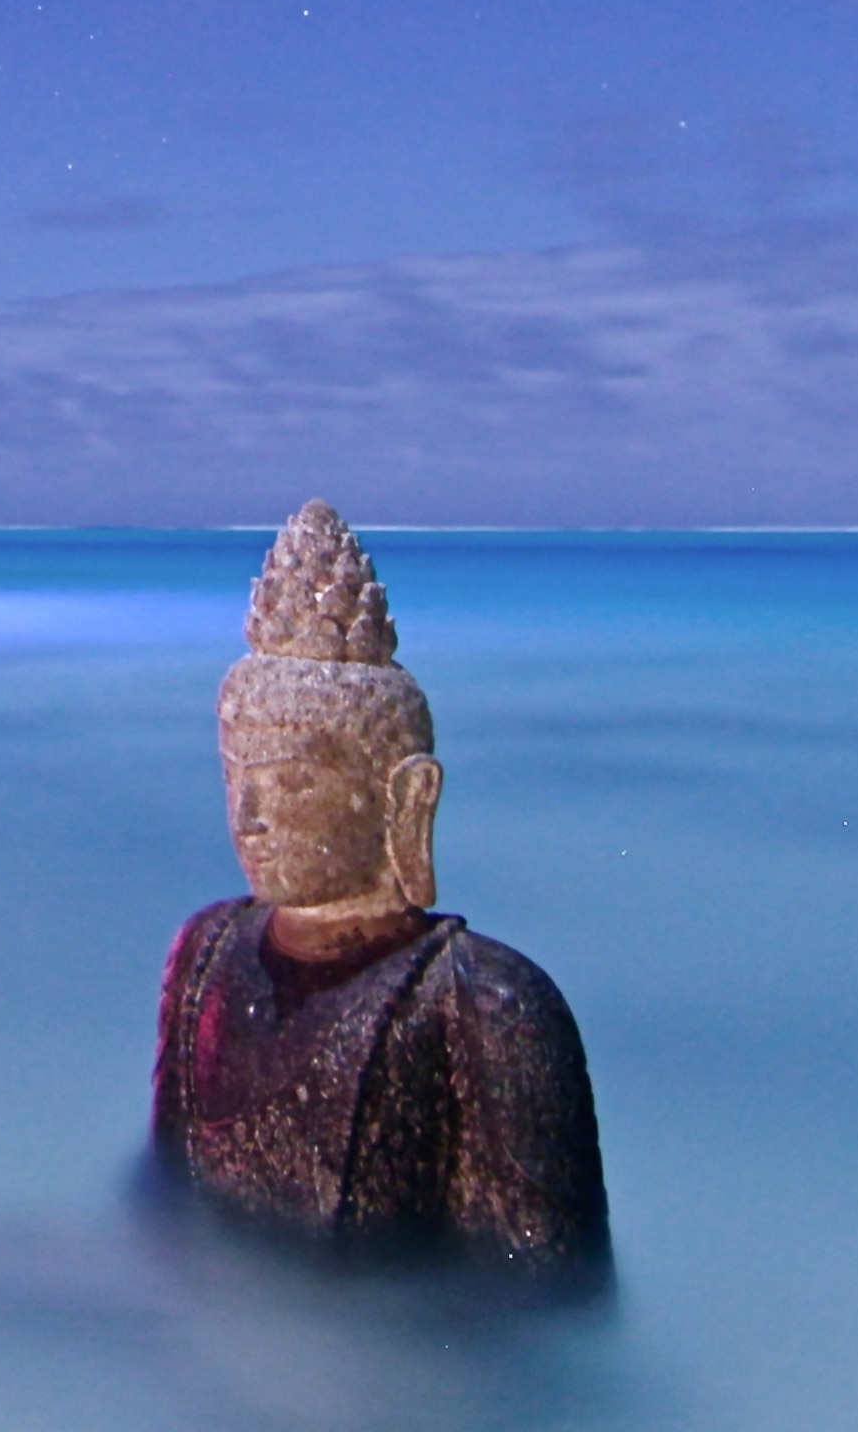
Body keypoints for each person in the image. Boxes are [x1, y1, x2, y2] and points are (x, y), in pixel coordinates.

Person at [151, 501, 609, 1279]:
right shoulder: (206, 955)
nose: (252, 818)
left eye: (292, 781)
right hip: (209, 1339)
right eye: (237, 779)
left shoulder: (482, 1001)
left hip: (392, 1376)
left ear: (404, 799)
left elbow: (547, 1291)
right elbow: (164, 1207)